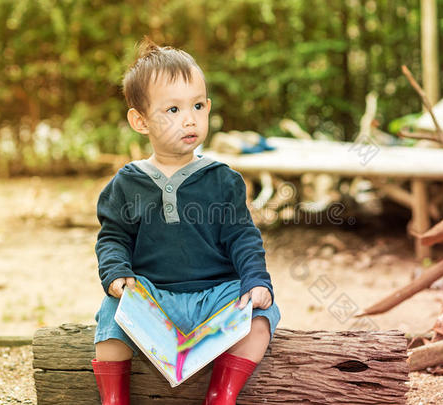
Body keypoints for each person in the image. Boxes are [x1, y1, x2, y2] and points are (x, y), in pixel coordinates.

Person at [91, 37, 281, 405]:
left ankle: (221, 394)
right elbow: (112, 237)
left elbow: (243, 236)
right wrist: (116, 274)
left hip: (215, 295)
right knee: (111, 316)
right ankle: (114, 399)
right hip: (153, 297)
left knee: (262, 314)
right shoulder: (127, 182)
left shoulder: (222, 179)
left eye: (197, 106)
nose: (189, 118)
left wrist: (256, 280)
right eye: (173, 110)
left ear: (208, 107)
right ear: (140, 120)